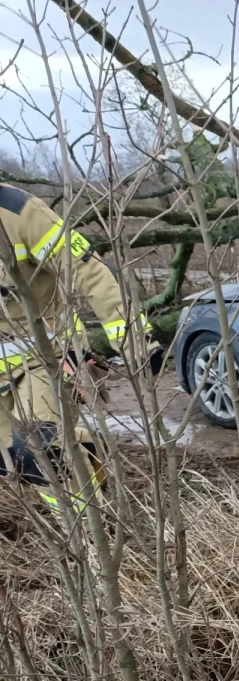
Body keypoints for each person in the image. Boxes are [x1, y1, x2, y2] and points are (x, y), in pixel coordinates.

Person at [0, 181, 163, 511]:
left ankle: (90, 533)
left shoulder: (20, 212)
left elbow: (90, 272)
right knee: (12, 461)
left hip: (46, 358)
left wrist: (136, 343)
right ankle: (85, 452)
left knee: (40, 450)